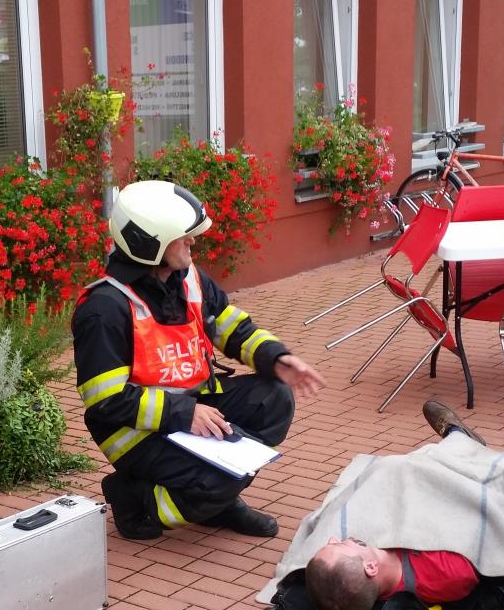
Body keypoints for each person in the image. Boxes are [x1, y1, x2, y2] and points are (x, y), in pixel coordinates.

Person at [72, 180, 325, 539]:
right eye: (183, 236)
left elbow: (231, 327)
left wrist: (276, 357)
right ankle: (134, 498)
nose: (193, 241)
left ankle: (217, 500)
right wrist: (184, 414)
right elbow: (106, 401)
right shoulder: (104, 308)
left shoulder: (186, 277)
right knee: (219, 478)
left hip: (193, 406)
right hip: (135, 431)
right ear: (151, 244)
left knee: (275, 398)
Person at [302, 400, 504, 610]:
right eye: (337, 547)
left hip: (431, 478)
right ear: (370, 569)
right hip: (480, 494)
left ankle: (457, 437)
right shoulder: (447, 575)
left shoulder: (361, 562)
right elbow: (482, 527)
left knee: (415, 464)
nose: (332, 540)